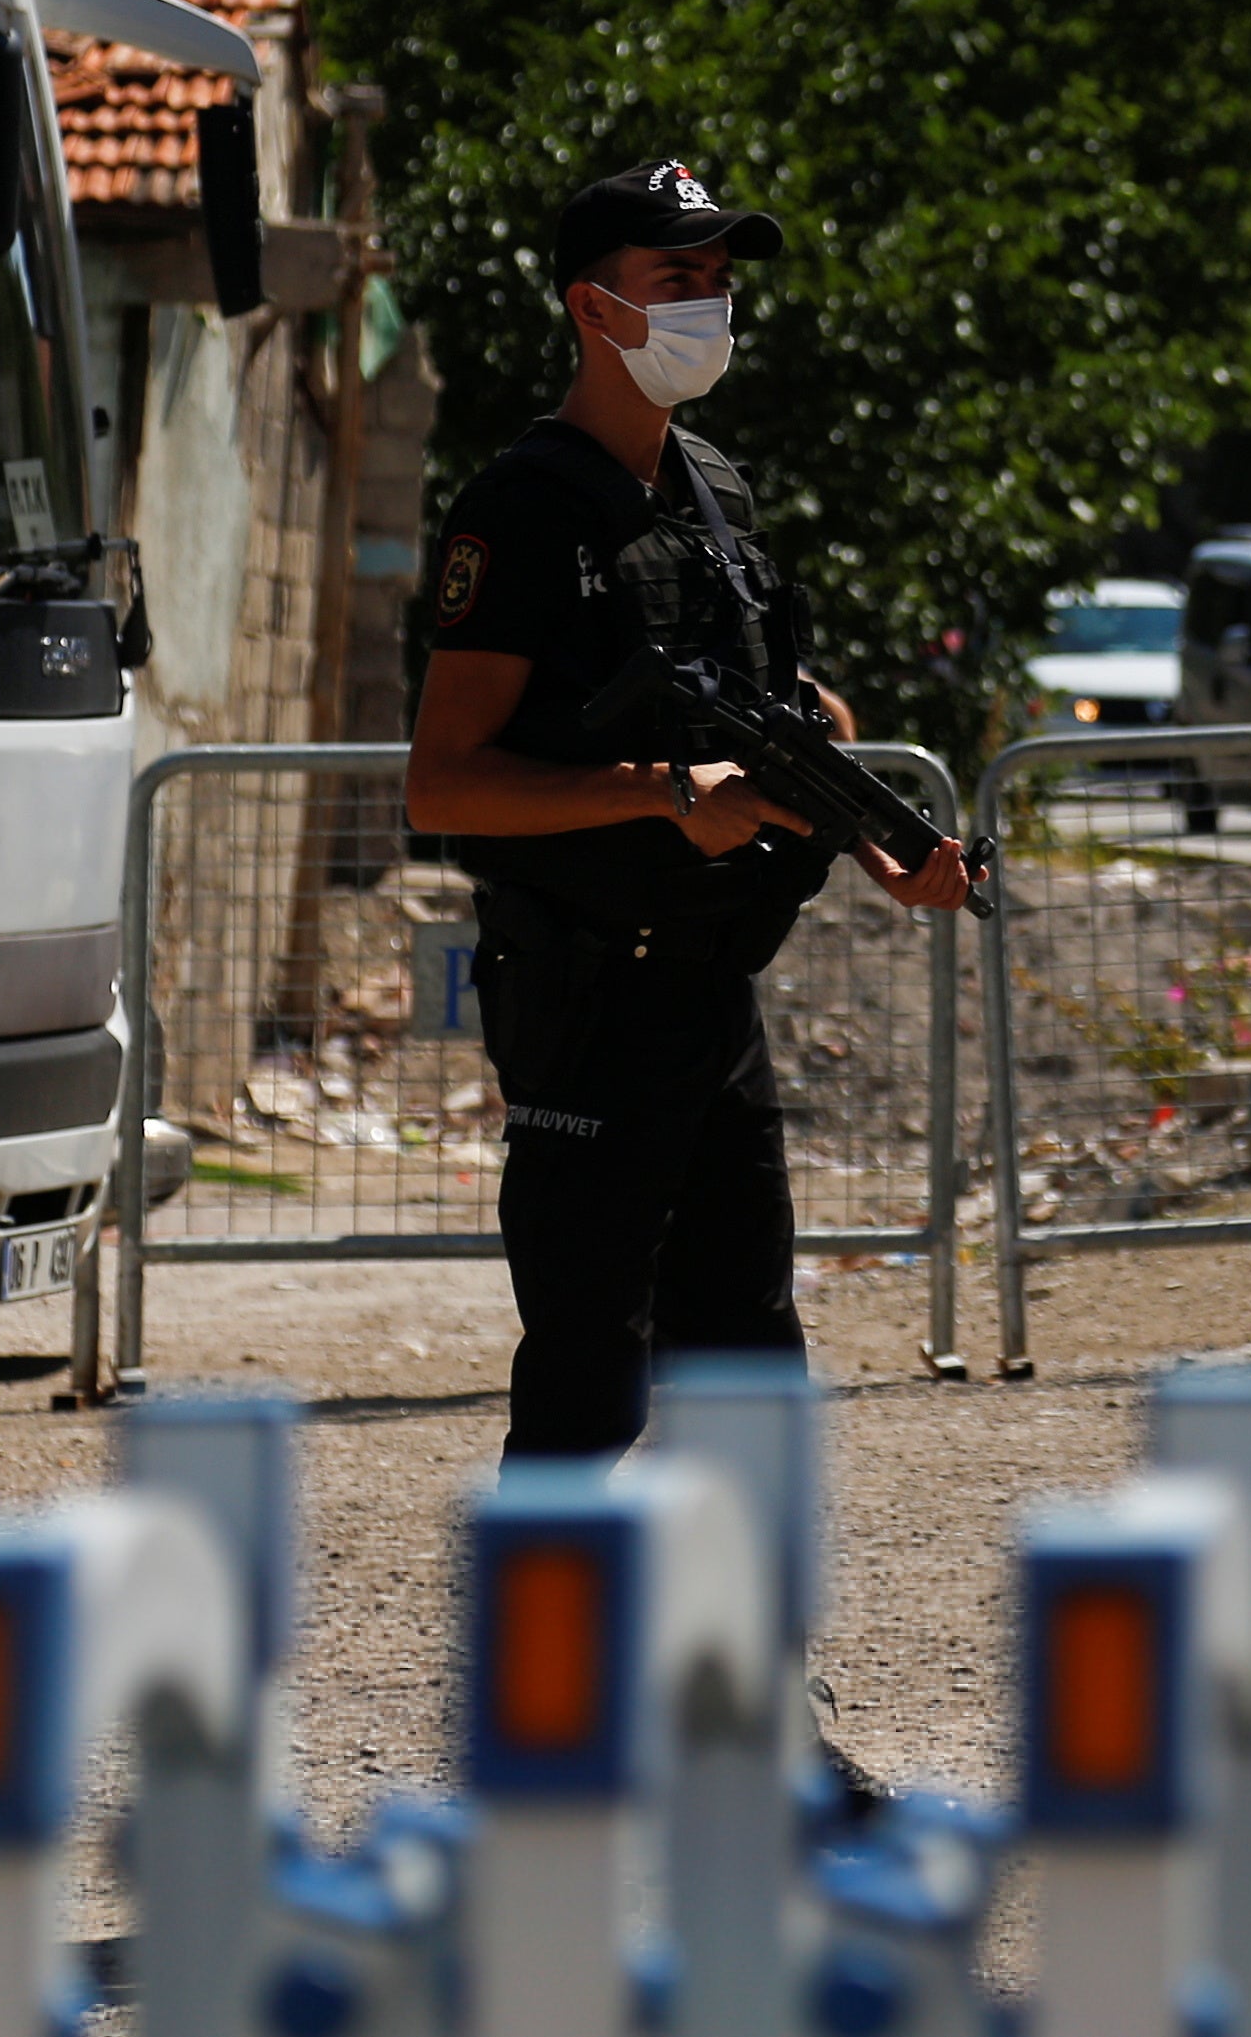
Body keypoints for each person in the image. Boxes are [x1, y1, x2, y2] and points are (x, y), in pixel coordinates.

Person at [404, 159, 969, 1457]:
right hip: (586, 995)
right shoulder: (523, 510)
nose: (710, 306)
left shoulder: (716, 489)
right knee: (593, 1367)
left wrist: (874, 825)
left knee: (747, 1359)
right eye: (678, 282)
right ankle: (554, 1659)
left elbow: (772, 700)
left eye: (718, 281)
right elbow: (443, 780)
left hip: (714, 992)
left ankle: (751, 1658)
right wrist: (660, 795)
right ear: (595, 309)